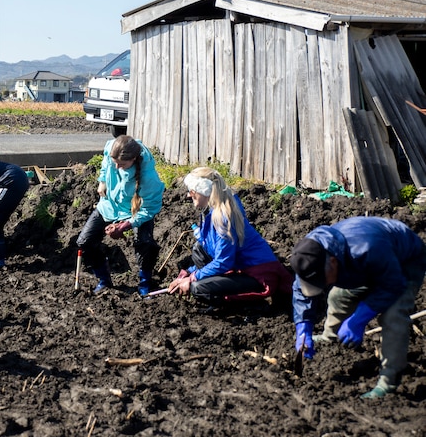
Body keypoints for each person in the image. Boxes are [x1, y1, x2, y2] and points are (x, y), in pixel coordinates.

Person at [290, 216, 425, 399]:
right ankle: (331, 335)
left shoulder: (368, 248)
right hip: (363, 266)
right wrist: (303, 328)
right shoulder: (309, 255)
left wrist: (358, 320)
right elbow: (301, 291)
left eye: (322, 281)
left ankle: (389, 380)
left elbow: (392, 285)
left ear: (333, 263)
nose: (320, 285)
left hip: (404, 262)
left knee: (392, 316)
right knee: (338, 296)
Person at [167, 167, 293, 307]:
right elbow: (213, 253)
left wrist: (192, 278)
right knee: (199, 248)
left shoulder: (223, 218)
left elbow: (223, 262)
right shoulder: (213, 211)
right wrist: (188, 273)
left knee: (198, 288)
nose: (189, 195)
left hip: (259, 275)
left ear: (205, 191)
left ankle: (250, 305)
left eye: (192, 191)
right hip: (240, 267)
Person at [76, 135, 164, 296]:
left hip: (135, 210)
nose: (116, 167)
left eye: (122, 165)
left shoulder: (148, 177)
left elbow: (150, 208)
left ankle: (145, 284)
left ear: (134, 159)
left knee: (146, 244)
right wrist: (102, 180)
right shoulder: (111, 148)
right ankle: (104, 281)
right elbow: (105, 163)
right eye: (114, 163)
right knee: (84, 242)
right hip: (109, 206)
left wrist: (125, 225)